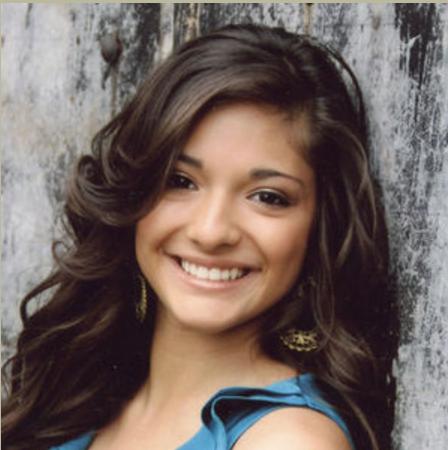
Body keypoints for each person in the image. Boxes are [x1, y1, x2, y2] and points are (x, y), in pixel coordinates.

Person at [2, 24, 391, 450]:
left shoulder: (289, 440)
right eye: (180, 181)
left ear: (319, 225)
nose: (210, 232)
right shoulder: (79, 401)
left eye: (267, 197)